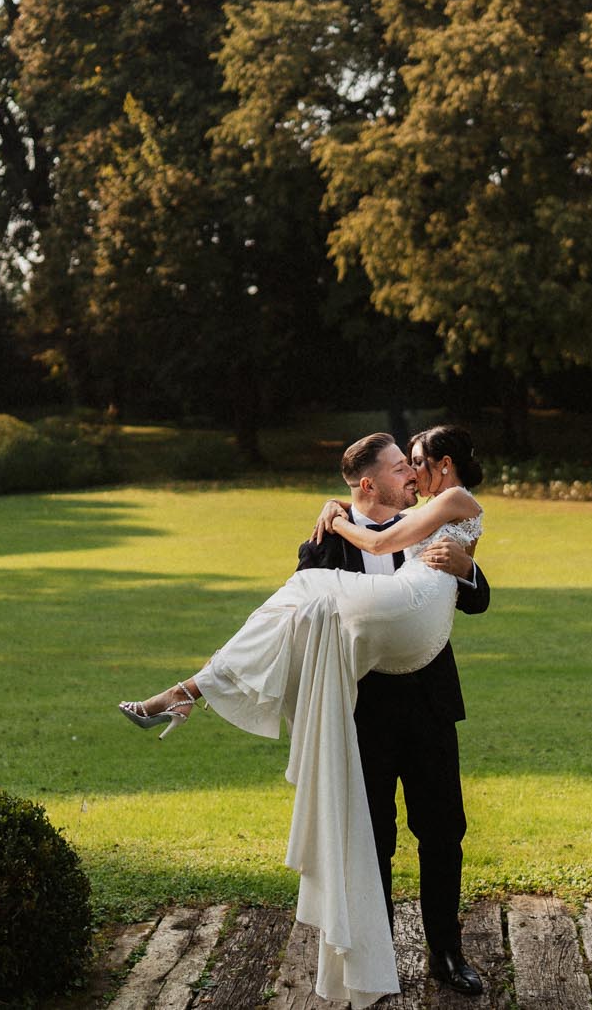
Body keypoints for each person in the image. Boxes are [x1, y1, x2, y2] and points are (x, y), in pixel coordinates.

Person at [119, 425, 491, 1006]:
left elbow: (475, 595)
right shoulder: (324, 542)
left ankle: (447, 952)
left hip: (427, 701)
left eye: (413, 464)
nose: (410, 475)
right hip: (361, 708)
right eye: (400, 468)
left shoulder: (437, 513)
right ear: (368, 482)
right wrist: (338, 520)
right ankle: (377, 956)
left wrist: (465, 566)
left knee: (442, 830)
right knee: (373, 838)